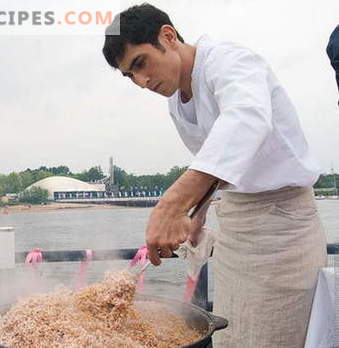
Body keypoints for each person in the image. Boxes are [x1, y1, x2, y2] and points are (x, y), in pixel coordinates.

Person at [102, 4, 327, 347]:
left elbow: (246, 121)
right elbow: (218, 166)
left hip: (284, 230)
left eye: (140, 63)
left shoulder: (229, 60)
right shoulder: (177, 101)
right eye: (130, 76)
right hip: (236, 229)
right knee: (233, 333)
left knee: (276, 335)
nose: (142, 81)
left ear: (168, 36)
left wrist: (172, 205)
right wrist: (198, 214)